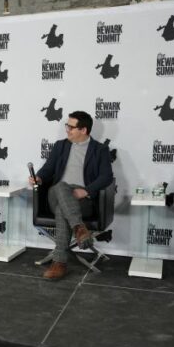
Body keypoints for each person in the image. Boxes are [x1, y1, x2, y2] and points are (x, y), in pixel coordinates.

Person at [29, 111, 113, 280]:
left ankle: (59, 263)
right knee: (61, 186)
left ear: (84, 130)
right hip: (56, 193)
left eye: (71, 127)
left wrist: (86, 190)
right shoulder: (60, 146)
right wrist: (39, 178)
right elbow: (48, 169)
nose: (67, 130)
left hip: (82, 199)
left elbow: (106, 176)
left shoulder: (100, 149)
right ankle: (79, 228)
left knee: (63, 210)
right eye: (67, 126)